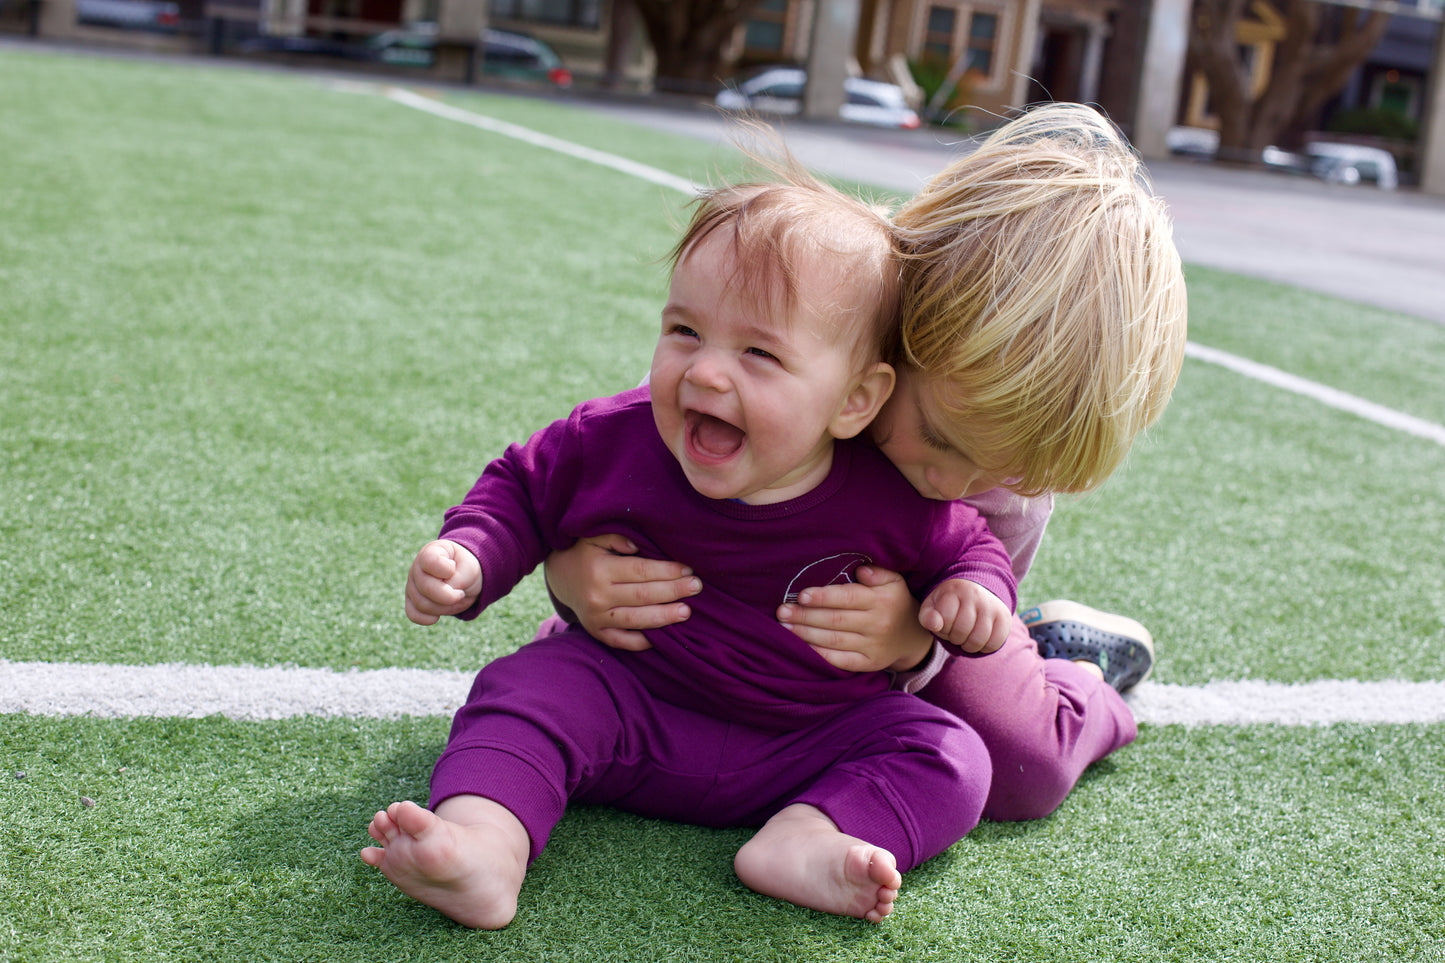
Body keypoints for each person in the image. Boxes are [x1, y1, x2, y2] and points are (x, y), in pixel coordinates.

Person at [361, 174, 1023, 928]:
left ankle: (806, 839)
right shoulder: (614, 437)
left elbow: (970, 550)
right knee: (524, 689)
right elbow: (521, 487)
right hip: (627, 701)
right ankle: (485, 845)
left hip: (807, 738)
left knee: (951, 752)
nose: (704, 371)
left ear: (853, 401)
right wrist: (470, 553)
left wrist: (974, 595)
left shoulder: (889, 496)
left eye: (758, 353)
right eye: (684, 331)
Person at [543, 102, 1188, 824]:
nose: (952, 485)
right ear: (895, 342)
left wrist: (915, 640)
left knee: (1022, 764)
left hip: (907, 621)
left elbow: (975, 583)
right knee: (588, 653)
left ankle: (1076, 674)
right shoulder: (814, 321)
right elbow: (617, 461)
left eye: (995, 474)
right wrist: (568, 570)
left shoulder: (1001, 462)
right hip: (745, 587)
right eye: (938, 438)